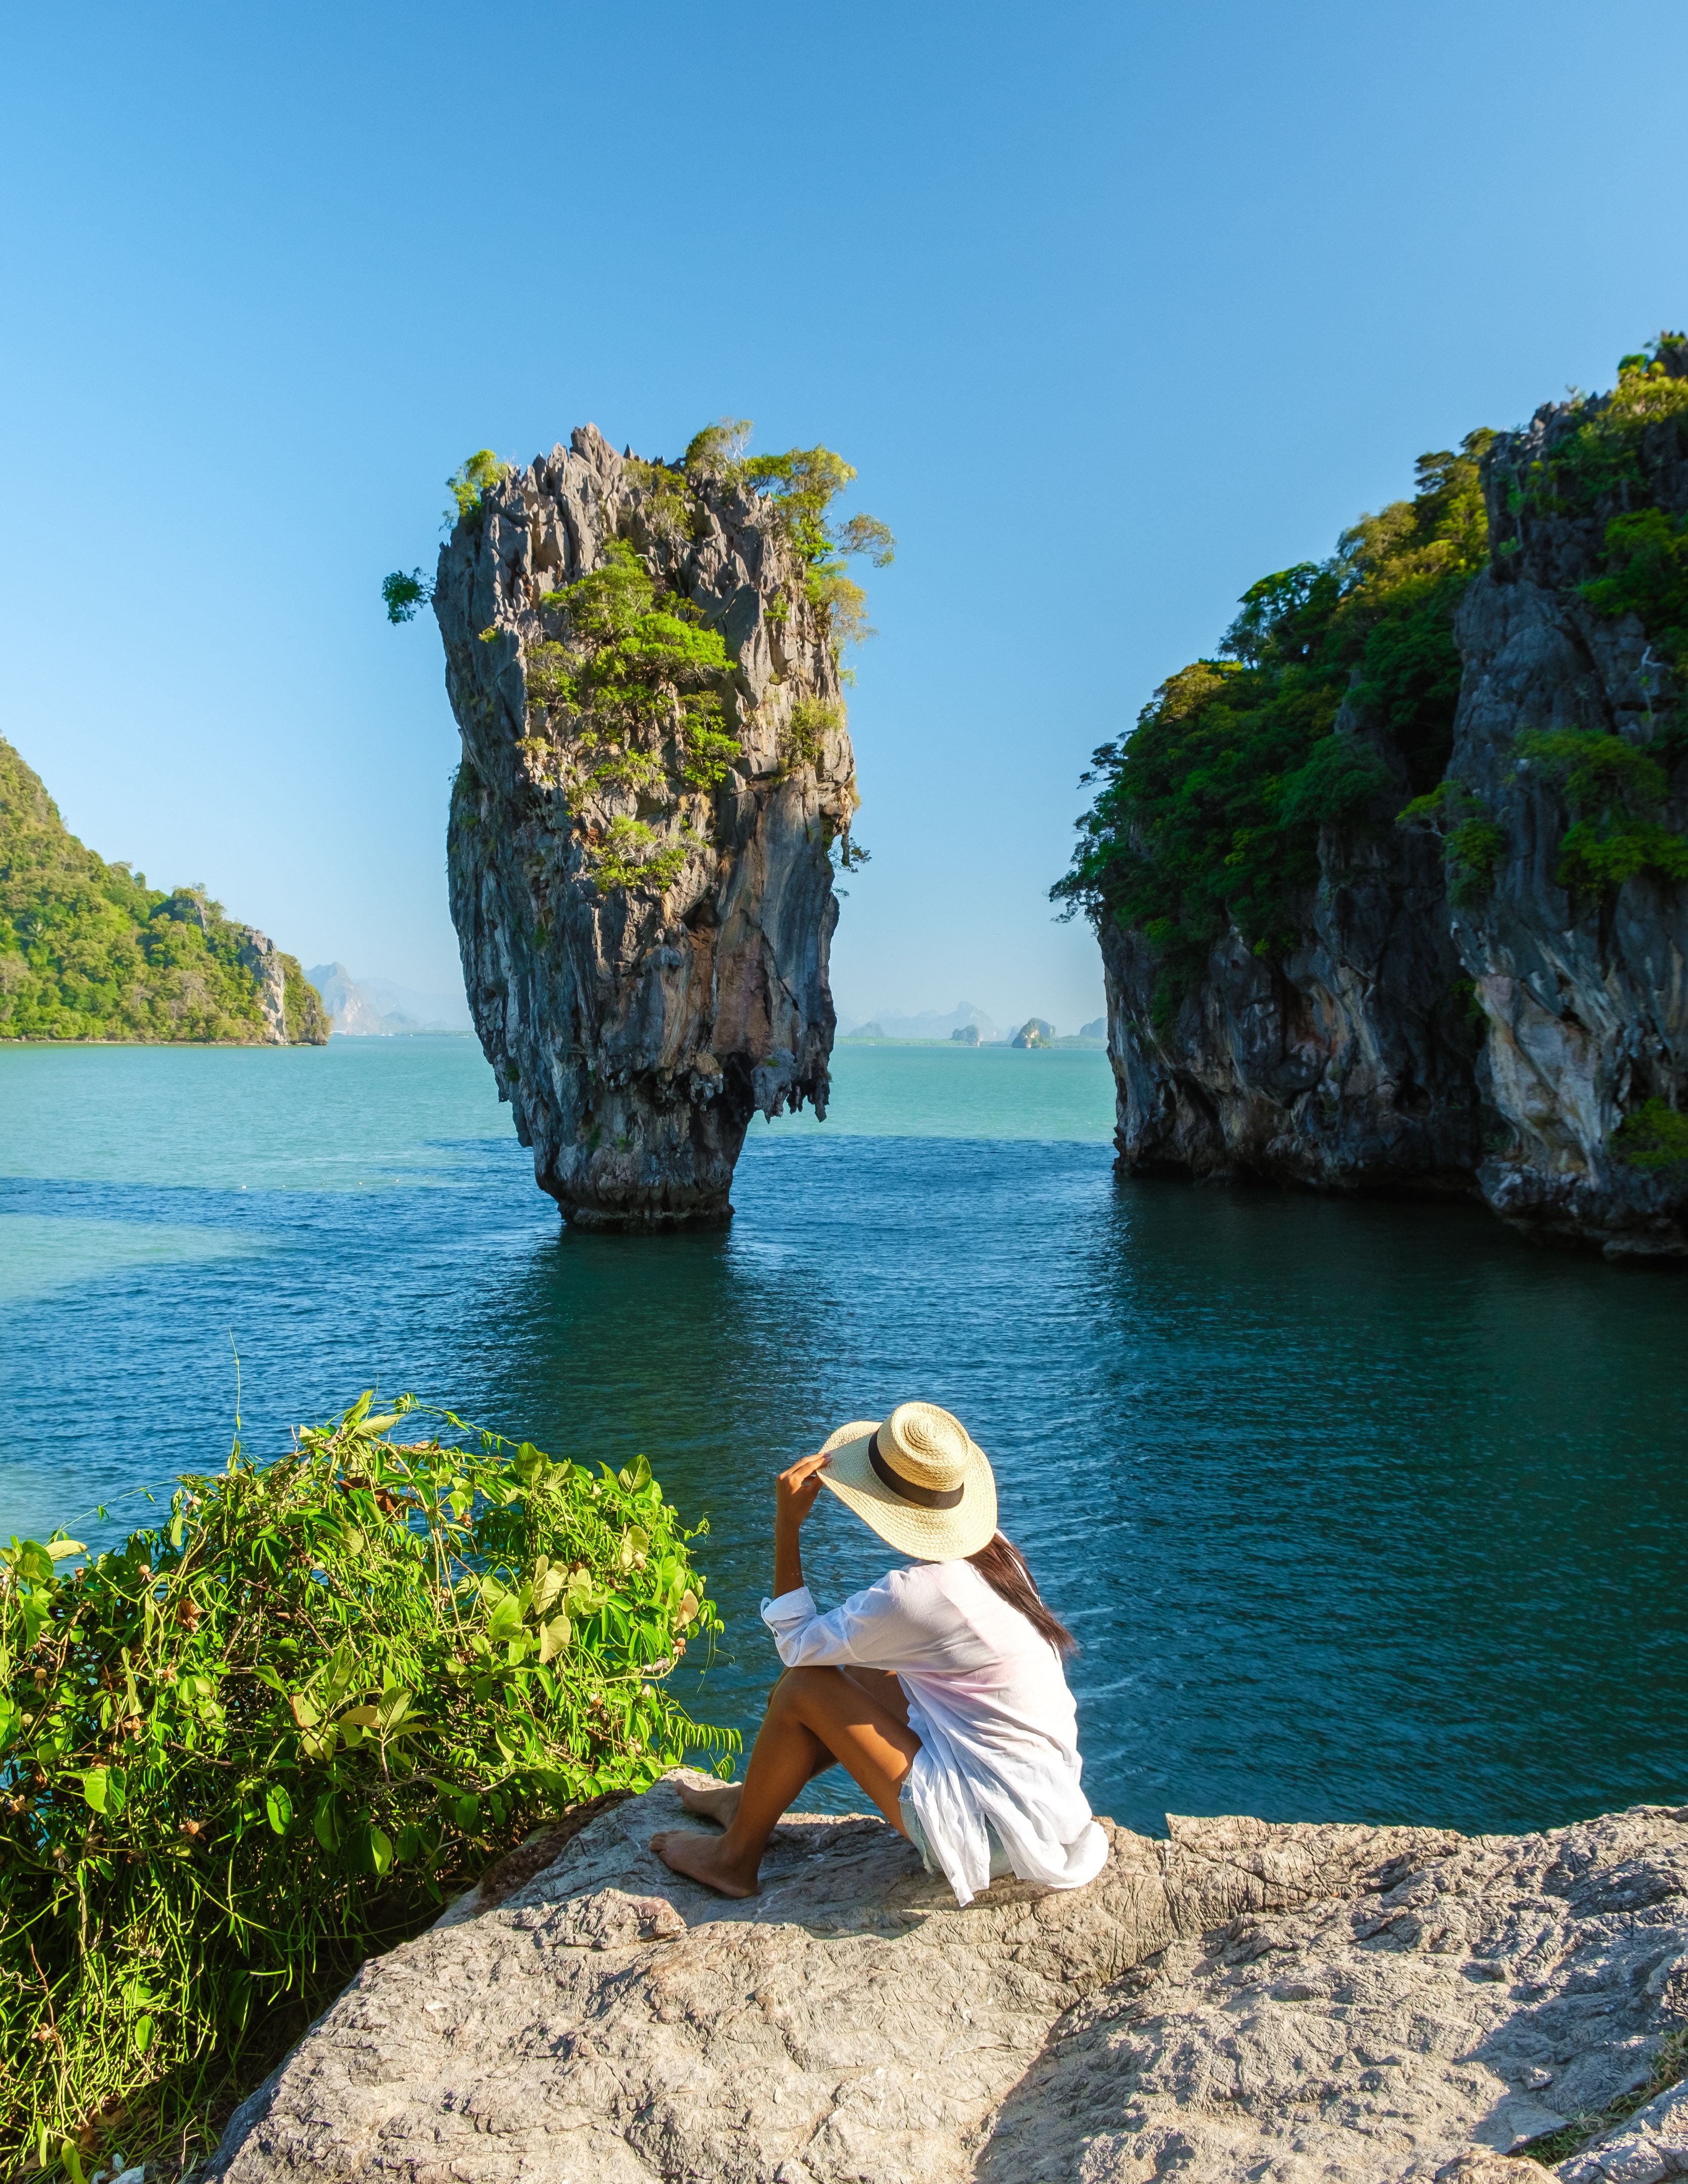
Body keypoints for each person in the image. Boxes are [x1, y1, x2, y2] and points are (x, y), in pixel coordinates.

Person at [651, 1400, 1108, 1906]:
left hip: (989, 1836)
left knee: (805, 1686)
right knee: (869, 1671)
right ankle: (749, 1802)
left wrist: (788, 1526)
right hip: (1046, 1809)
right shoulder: (997, 1555)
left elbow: (796, 1649)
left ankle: (733, 1859)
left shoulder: (916, 1593)